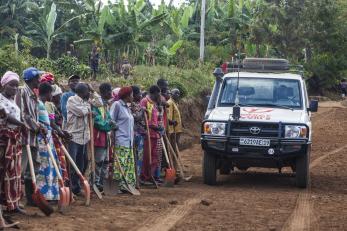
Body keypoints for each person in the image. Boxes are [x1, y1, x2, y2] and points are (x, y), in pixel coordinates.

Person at [15, 67, 45, 206]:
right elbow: (23, 115)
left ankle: (30, 198)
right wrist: (36, 126)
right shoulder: (22, 92)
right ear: (31, 79)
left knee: (33, 169)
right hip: (24, 137)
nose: (40, 80)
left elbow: (33, 116)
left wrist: (40, 126)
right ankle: (15, 200)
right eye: (38, 77)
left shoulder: (34, 94)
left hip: (33, 137)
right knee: (20, 168)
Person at [0, 71, 25, 217]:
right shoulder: (0, 99)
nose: (15, 88)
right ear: (4, 85)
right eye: (12, 85)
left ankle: (13, 204)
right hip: (4, 140)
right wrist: (22, 124)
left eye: (16, 86)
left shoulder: (12, 100)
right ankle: (6, 203)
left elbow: (19, 116)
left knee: (14, 172)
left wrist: (25, 124)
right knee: (5, 171)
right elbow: (6, 116)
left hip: (15, 139)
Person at [36, 82, 61, 201]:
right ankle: (42, 195)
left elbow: (48, 123)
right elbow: (36, 121)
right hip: (42, 139)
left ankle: (50, 193)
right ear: (48, 93)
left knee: (50, 166)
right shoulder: (38, 103)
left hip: (48, 137)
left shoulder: (43, 104)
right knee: (44, 167)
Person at [66, 83, 91, 195]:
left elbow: (98, 103)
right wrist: (87, 107)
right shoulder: (72, 100)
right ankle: (72, 187)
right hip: (73, 136)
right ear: (82, 92)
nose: (89, 93)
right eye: (88, 91)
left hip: (84, 137)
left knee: (83, 162)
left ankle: (77, 186)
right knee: (73, 163)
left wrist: (93, 93)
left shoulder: (85, 102)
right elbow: (81, 112)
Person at [110, 86, 136, 193]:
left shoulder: (127, 107)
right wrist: (114, 128)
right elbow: (110, 119)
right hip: (120, 139)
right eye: (132, 94)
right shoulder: (117, 105)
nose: (133, 97)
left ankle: (126, 184)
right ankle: (117, 186)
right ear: (127, 95)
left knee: (127, 164)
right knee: (120, 163)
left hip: (129, 140)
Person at [91, 83, 116, 192]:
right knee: (98, 161)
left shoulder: (105, 105)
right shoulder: (96, 104)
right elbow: (99, 122)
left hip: (106, 138)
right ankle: (95, 183)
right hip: (98, 138)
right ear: (104, 92)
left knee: (106, 161)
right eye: (110, 91)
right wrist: (109, 126)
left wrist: (112, 123)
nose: (111, 93)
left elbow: (109, 118)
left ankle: (102, 183)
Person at [140, 85, 163, 184]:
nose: (160, 96)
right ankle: (144, 177)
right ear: (154, 93)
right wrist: (152, 126)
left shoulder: (154, 103)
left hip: (155, 134)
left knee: (154, 156)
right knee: (146, 157)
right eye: (159, 94)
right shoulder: (144, 101)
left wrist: (159, 125)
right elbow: (142, 119)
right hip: (148, 134)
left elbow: (156, 118)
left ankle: (151, 176)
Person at [130, 85, 146, 182]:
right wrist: (142, 112)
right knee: (134, 156)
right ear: (134, 95)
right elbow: (136, 118)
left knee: (139, 157)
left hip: (140, 134)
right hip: (134, 134)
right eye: (139, 93)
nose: (140, 95)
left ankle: (138, 177)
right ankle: (134, 177)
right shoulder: (131, 105)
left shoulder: (139, 105)